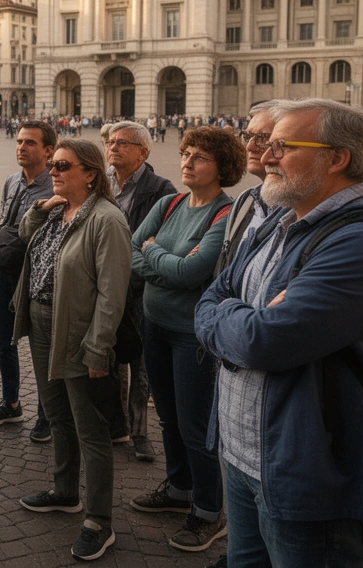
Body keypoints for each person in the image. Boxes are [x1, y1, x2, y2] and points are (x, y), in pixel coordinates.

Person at [195, 98, 363, 568]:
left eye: (283, 145)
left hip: (304, 469)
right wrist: (242, 314)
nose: (266, 156)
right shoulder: (280, 218)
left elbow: (266, 341)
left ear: (337, 158)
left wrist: (233, 317)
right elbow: (209, 299)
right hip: (242, 451)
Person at [12, 138, 131, 561]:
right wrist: (37, 208)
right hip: (44, 322)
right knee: (58, 413)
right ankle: (65, 491)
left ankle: (100, 521)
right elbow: (25, 235)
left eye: (63, 165)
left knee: (91, 428)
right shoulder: (59, 210)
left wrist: (98, 349)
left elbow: (112, 295)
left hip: (79, 331)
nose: (54, 171)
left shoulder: (106, 219)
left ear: (91, 174)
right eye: (53, 164)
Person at [128, 127, 246, 554]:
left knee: (195, 425)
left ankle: (209, 511)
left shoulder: (225, 214)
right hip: (154, 323)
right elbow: (131, 247)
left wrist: (155, 255)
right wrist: (165, 260)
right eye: (186, 153)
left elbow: (190, 274)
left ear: (223, 168)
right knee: (169, 418)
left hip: (191, 333)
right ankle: (179, 488)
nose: (187, 162)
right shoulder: (169, 202)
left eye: (199, 157)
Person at [104, 120, 176, 461]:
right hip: (107, 286)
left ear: (143, 152)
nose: (113, 147)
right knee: (113, 359)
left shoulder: (160, 189)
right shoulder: (101, 183)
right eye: (111, 142)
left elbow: (159, 241)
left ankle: (140, 433)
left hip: (142, 287)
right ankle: (116, 425)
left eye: (123, 143)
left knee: (141, 364)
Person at [0, 120, 56, 431]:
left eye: (30, 143)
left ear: (48, 150)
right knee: (4, 343)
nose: (21, 147)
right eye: (19, 142)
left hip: (36, 277)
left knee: (43, 346)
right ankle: (11, 403)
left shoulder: (55, 185)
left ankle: (46, 414)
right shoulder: (11, 181)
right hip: (4, 273)